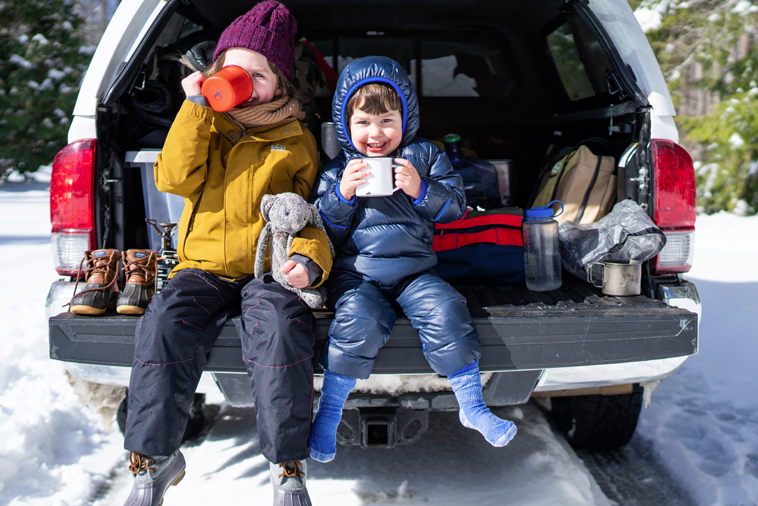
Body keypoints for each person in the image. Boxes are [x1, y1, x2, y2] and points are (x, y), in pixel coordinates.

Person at [121, 3, 331, 506]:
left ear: (280, 83)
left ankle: (288, 467)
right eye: (234, 70)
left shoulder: (296, 137)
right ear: (217, 73)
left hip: (266, 273)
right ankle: (154, 461)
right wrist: (195, 108)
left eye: (258, 75)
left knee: (282, 329)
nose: (245, 82)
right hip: (204, 270)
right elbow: (173, 178)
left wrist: (305, 261)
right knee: (164, 321)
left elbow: (307, 214)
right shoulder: (204, 125)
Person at [310, 56, 516, 463]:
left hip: (415, 272)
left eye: (387, 120)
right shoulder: (339, 170)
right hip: (358, 275)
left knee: (447, 309)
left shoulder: (424, 156)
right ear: (345, 126)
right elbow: (323, 232)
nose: (376, 133)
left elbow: (456, 208)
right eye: (363, 123)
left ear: (406, 118)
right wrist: (341, 196)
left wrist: (422, 190)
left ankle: (472, 407)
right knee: (357, 319)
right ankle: (329, 413)